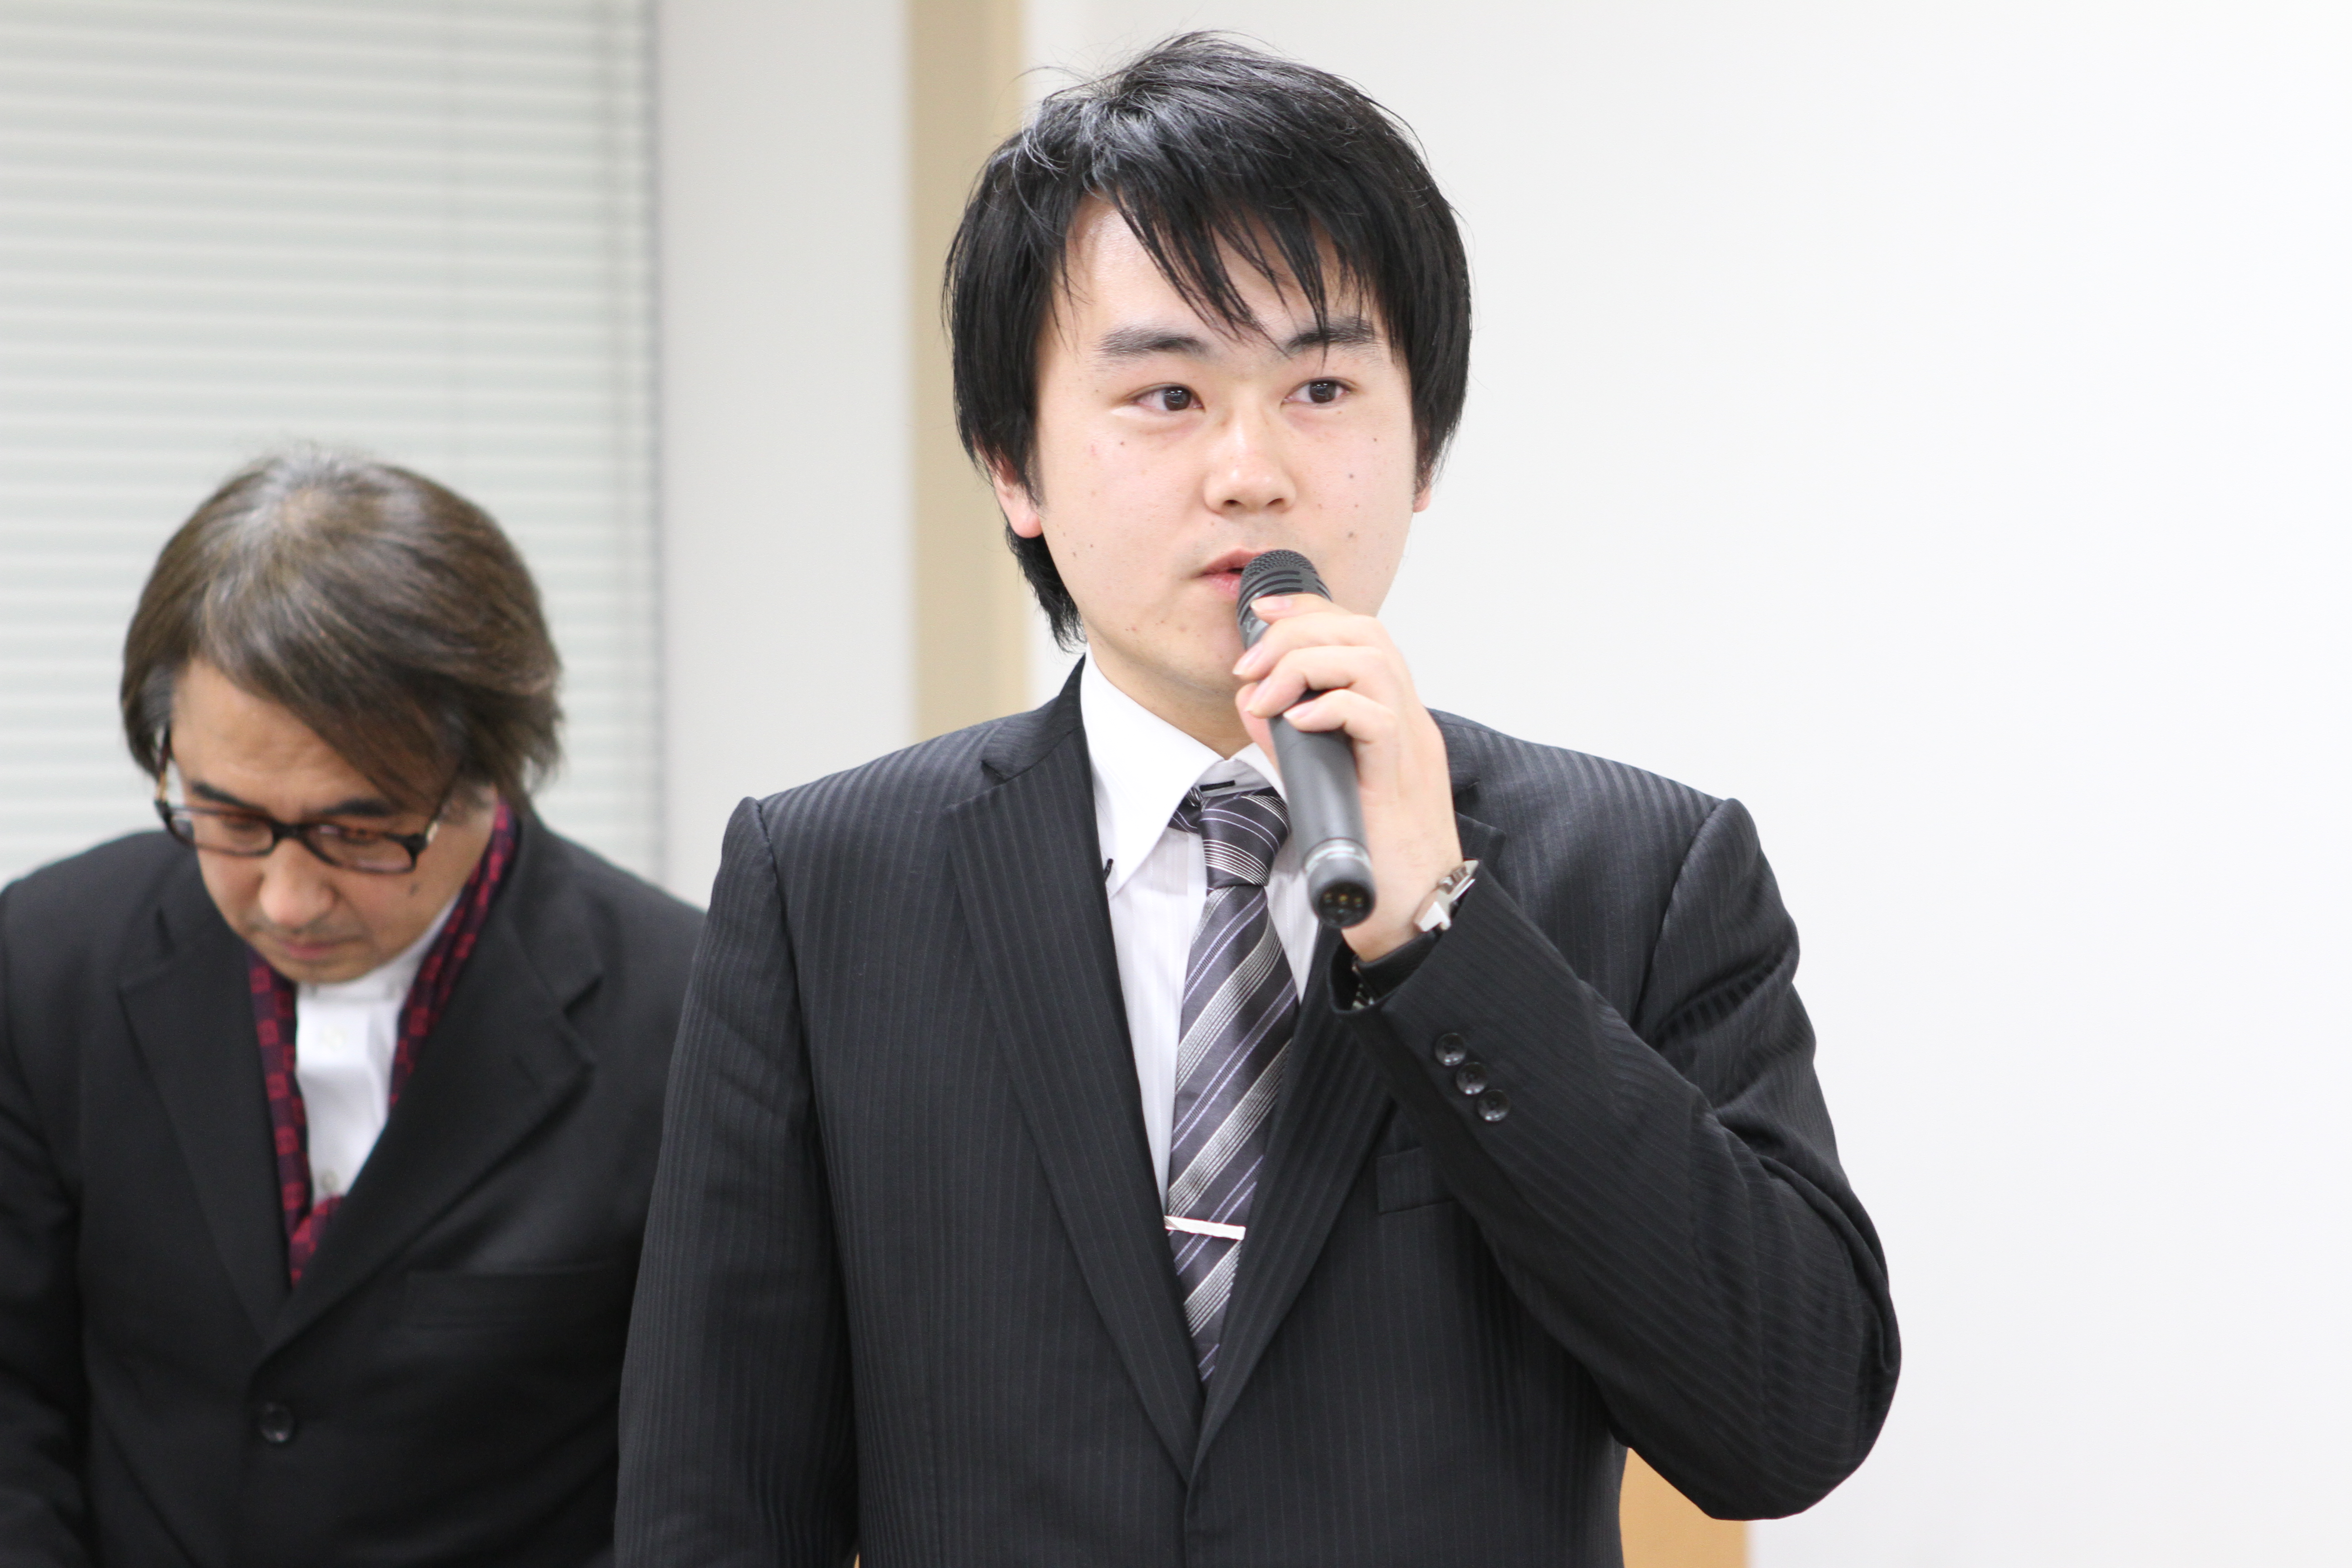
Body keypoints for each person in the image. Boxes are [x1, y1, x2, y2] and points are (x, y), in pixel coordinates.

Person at [617, 34, 1897, 1566]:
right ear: (1014, 463)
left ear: (1422, 448)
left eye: (1322, 386)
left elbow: (1783, 1419)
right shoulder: (828, 881)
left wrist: (1441, 935)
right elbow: (717, 1498)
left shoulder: (1646, 869)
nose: (1250, 468)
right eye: (1166, 392)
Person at [0, 452, 702, 1567]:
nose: (287, 899)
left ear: (494, 772)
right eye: (229, 821)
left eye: (357, 832)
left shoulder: (684, 1015)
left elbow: (705, 1481)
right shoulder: (48, 963)